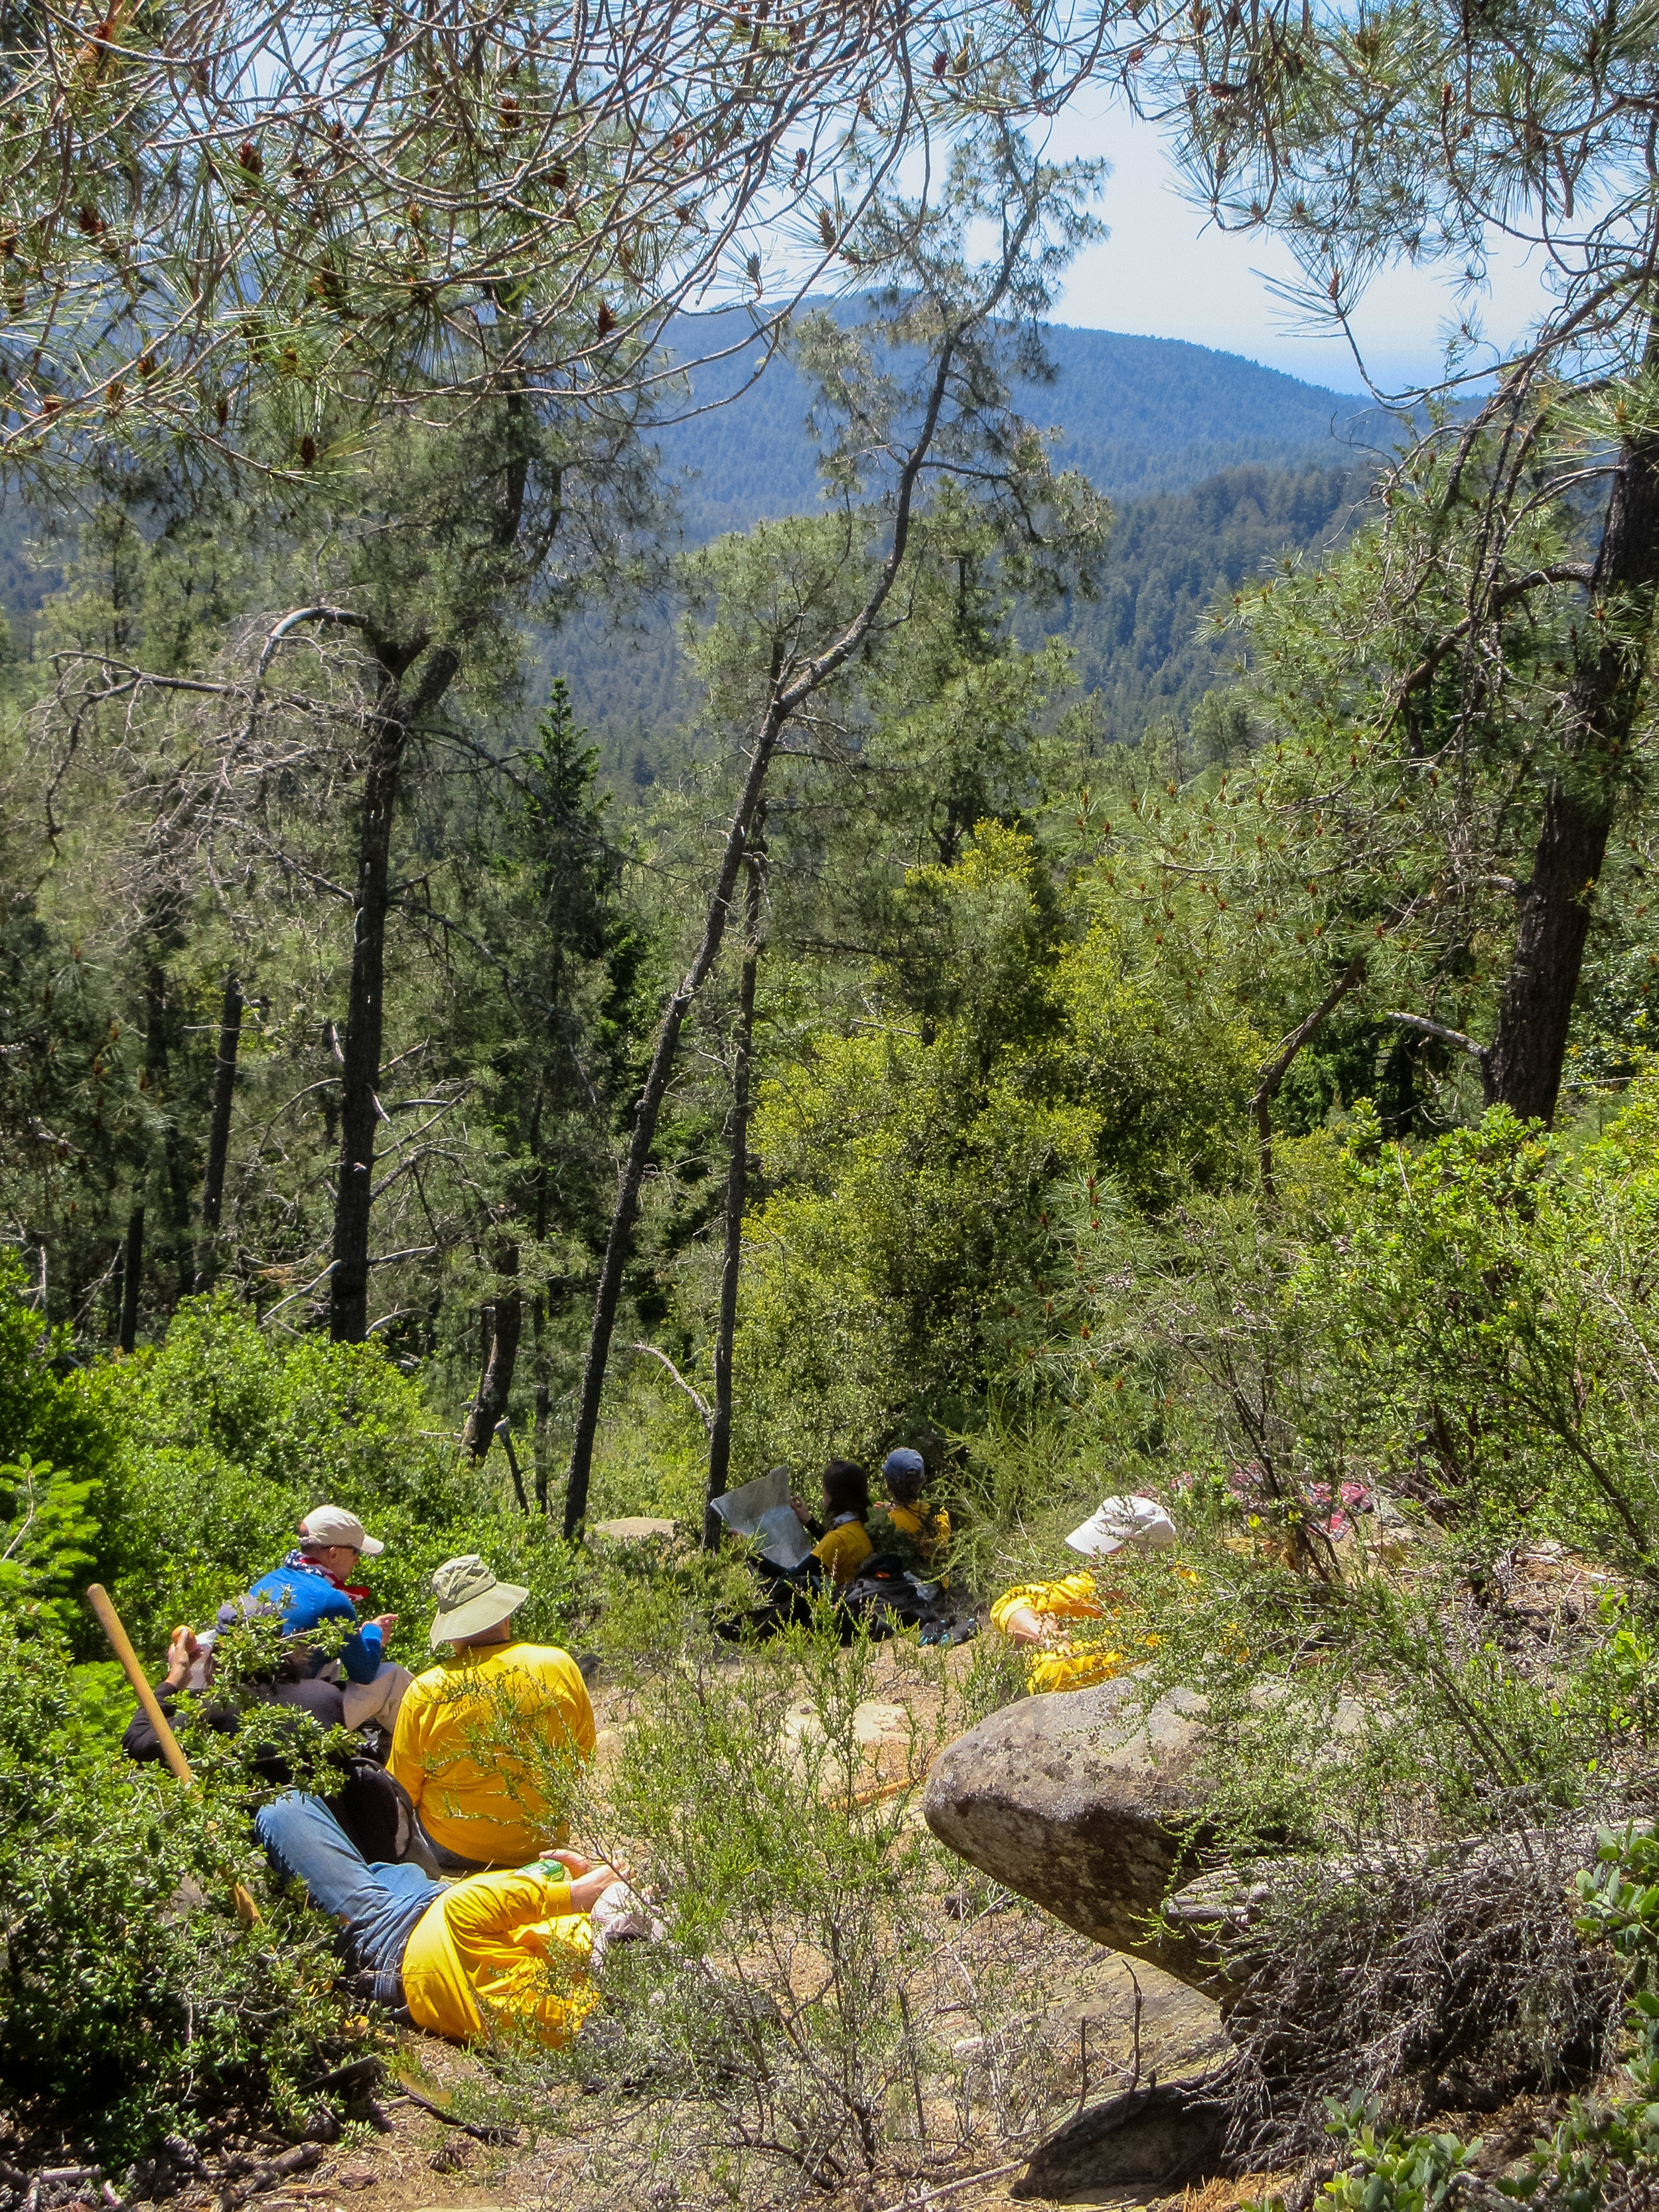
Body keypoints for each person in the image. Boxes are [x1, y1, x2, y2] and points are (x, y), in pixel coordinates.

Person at [254, 1788, 640, 2046]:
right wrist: (573, 1893)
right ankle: (370, 1861)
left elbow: (462, 1912)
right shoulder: (584, 1989)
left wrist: (575, 1895)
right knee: (390, 1872)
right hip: (430, 1911)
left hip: (393, 1943)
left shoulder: (567, 2014)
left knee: (283, 1809)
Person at [390, 1554, 596, 1874]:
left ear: (451, 1630)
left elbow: (402, 1793)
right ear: (505, 1612)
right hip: (544, 1845)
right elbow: (582, 1760)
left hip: (452, 1852)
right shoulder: (560, 1664)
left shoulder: (425, 1691)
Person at [227, 1505, 413, 1730]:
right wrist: (373, 1633)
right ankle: (404, 1759)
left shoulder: (267, 1581)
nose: (357, 1561)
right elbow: (364, 1673)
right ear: (334, 1553)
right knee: (393, 1677)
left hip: (243, 1709)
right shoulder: (331, 1600)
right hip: (295, 1720)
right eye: (356, 1552)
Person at [991, 1493, 1178, 1694]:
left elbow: (1054, 1673)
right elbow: (1009, 1601)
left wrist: (1039, 1649)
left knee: (1018, 1647)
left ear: (1138, 1556)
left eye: (1103, 1551)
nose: (1092, 1560)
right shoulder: (1104, 1584)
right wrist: (1041, 1632)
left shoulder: (1165, 1619)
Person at [870, 1447, 950, 1567]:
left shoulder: (888, 1524)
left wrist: (891, 1515)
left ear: (889, 1487)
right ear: (921, 1483)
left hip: (907, 1584)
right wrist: (897, 1511)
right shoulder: (940, 1514)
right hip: (939, 1584)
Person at [802, 1459, 873, 1587]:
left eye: (825, 1492)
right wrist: (810, 1523)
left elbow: (792, 1577)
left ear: (834, 1497)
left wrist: (755, 1557)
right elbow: (836, 1548)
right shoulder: (862, 1525)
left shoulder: (837, 1539)